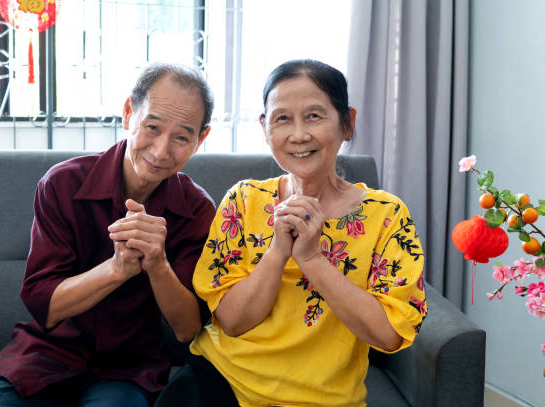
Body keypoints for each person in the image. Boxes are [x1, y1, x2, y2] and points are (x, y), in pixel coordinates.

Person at [156, 59, 427, 407]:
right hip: (220, 380)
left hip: (323, 399)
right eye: (282, 118)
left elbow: (388, 335)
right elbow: (232, 322)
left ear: (348, 123)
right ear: (265, 128)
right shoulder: (243, 200)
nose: (299, 135)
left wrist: (312, 259)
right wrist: (277, 252)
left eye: (314, 116)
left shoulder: (387, 216)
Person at [0, 62, 216, 407]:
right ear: (129, 113)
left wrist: (158, 264)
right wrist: (117, 269)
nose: (161, 151)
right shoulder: (61, 184)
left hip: (128, 368)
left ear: (200, 139)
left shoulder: (197, 209)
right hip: (45, 355)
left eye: (182, 137)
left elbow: (188, 329)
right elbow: (45, 304)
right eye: (153, 127)